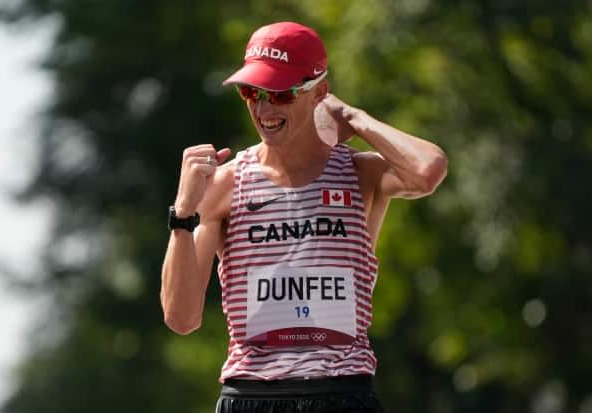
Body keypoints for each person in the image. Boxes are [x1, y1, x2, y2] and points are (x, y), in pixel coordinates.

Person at [160, 21, 448, 413]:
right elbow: (181, 318)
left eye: (280, 94)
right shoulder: (226, 185)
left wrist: (354, 117)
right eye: (251, 92)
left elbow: (428, 170)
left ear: (319, 93)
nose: (263, 109)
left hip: (343, 393)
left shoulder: (360, 174)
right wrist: (182, 213)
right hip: (253, 395)